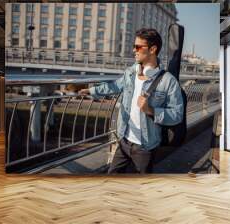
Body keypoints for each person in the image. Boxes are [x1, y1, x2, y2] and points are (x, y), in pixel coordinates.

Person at [79, 28, 184, 174]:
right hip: (124, 139)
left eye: (138, 47)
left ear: (153, 49)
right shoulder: (130, 73)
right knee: (111, 177)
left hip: (145, 146)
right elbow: (114, 86)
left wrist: (151, 110)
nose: (134, 50)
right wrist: (91, 91)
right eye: (134, 46)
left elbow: (177, 114)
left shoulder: (168, 81)